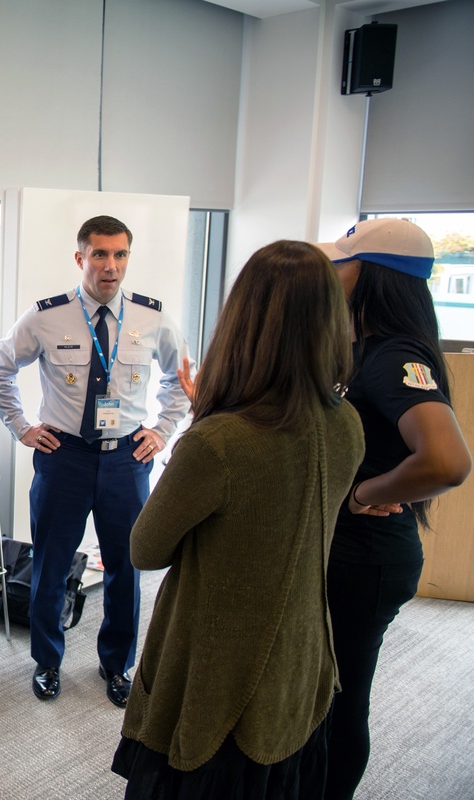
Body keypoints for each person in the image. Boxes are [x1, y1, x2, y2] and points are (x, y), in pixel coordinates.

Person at [111, 240, 365, 798]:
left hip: (220, 678)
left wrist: (205, 428)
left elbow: (145, 549)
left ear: (242, 320)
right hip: (301, 665)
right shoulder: (346, 422)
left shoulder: (221, 442)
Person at [0, 215, 188, 707]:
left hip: (126, 461)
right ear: (81, 258)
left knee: (127, 566)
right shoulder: (46, 317)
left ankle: (117, 665)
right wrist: (23, 427)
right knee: (51, 565)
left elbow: (182, 379)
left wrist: (161, 431)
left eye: (120, 255)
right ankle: (47, 662)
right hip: (65, 459)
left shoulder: (152, 318)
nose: (111, 266)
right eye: (100, 254)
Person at [317, 219, 471, 799]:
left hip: (368, 558)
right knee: (324, 696)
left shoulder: (394, 355)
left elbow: (447, 461)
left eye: (345, 262)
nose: (334, 272)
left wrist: (364, 495)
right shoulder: (362, 347)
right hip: (348, 554)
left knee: (340, 701)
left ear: (376, 275)